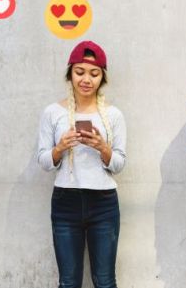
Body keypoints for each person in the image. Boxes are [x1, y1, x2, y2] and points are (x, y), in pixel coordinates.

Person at [36, 40, 127, 288]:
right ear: (70, 74)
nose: (86, 79)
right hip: (65, 202)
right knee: (68, 282)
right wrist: (60, 148)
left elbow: (119, 164)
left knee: (106, 281)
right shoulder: (53, 113)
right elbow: (44, 161)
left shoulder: (114, 115)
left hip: (104, 203)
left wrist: (102, 147)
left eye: (94, 73)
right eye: (80, 72)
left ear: (102, 78)